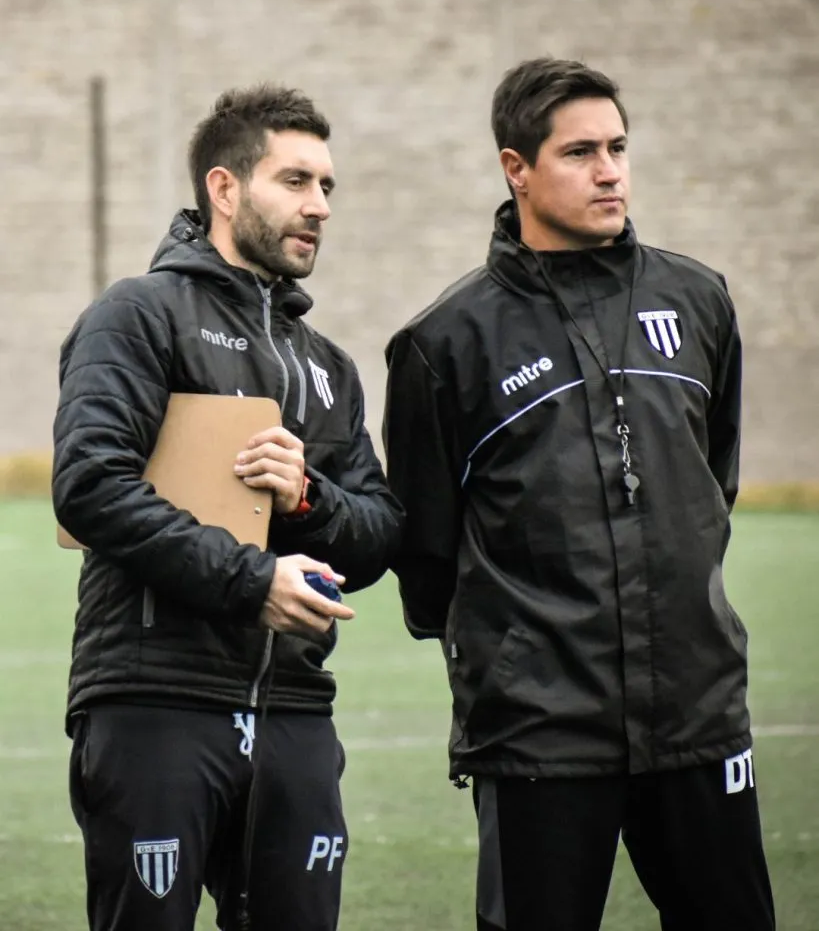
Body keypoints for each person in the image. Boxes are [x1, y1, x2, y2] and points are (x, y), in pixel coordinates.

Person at [382, 57, 775, 931]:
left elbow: (714, 483)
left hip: (696, 712)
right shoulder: (444, 341)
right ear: (514, 168)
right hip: (538, 733)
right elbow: (427, 556)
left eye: (618, 147)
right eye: (579, 153)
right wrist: (521, 658)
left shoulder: (697, 298)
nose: (609, 171)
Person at [52, 83, 403, 931]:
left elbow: (380, 532)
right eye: (294, 181)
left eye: (326, 187)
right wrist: (252, 582)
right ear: (224, 188)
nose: (318, 206)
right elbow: (91, 486)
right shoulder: (137, 315)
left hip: (295, 707)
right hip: (153, 699)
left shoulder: (329, 365)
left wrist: (308, 496)